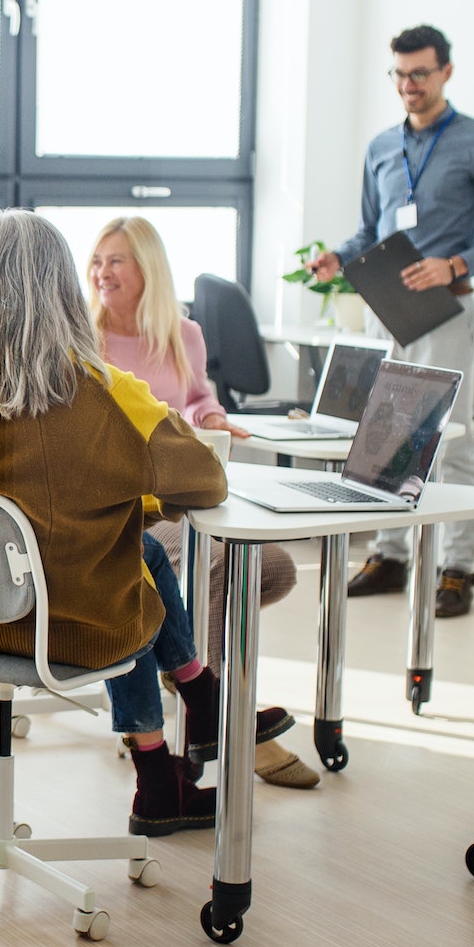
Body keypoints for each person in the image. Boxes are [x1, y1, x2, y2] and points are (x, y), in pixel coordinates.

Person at [0, 210, 289, 836]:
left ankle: (172, 756)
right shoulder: (103, 390)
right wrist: (137, 498)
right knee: (128, 561)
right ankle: (193, 710)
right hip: (72, 634)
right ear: (65, 293)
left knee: (140, 558)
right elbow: (206, 481)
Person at [308, 24, 474, 617]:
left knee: (448, 438)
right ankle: (391, 555)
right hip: (389, 311)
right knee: (386, 438)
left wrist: (455, 262)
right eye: (400, 75)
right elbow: (369, 231)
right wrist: (337, 257)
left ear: (446, 73)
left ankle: (456, 568)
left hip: (446, 308)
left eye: (420, 75)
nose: (408, 85)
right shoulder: (382, 146)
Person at [87, 216, 317, 789]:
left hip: (182, 491)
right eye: (97, 260)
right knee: (216, 566)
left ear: (148, 268)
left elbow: (195, 397)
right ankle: (221, 718)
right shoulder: (80, 338)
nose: (101, 272)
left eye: (115, 260)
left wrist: (211, 417)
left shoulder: (183, 333)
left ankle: (187, 673)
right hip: (127, 507)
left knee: (272, 567)